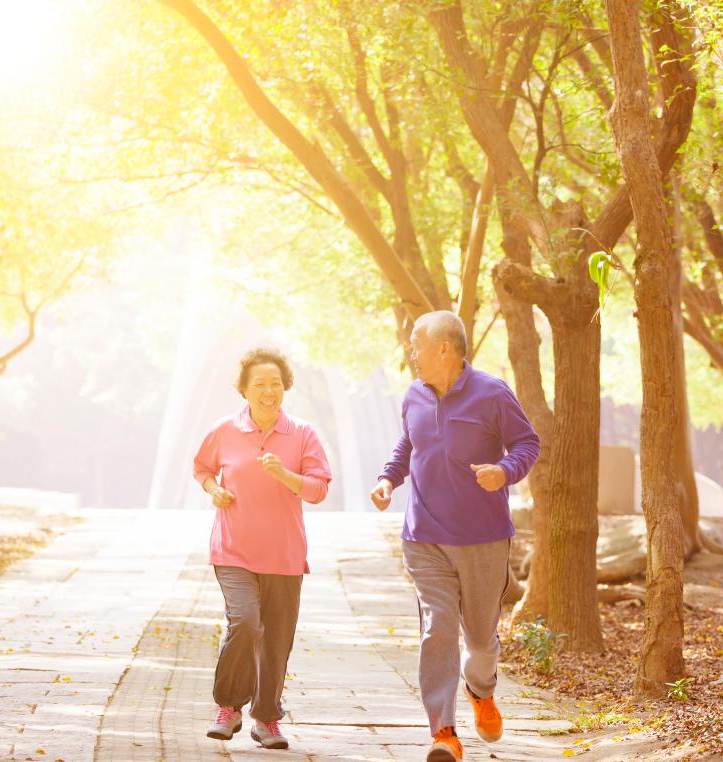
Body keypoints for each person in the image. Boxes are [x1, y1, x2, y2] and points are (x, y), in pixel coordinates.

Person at [370, 311, 540, 762]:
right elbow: (408, 444)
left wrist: (503, 472)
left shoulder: (492, 393)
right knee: (438, 629)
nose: (411, 353)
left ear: (444, 348)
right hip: (424, 536)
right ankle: (443, 733)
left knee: (481, 640)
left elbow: (528, 444)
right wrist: (389, 480)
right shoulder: (414, 395)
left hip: (483, 538)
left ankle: (480, 691)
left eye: (416, 344)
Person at [193, 347, 332, 750]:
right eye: (259, 384)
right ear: (244, 390)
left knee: (276, 639)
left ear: (285, 386)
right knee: (247, 622)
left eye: (275, 383)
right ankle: (229, 707)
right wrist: (214, 489)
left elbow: (319, 489)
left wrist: (284, 474)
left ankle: (267, 719)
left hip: (284, 554)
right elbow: (202, 468)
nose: (269, 391)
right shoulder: (224, 430)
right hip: (233, 549)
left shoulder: (302, 434)